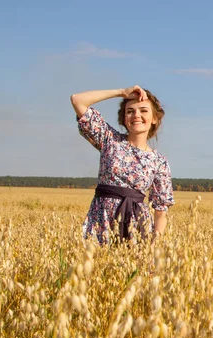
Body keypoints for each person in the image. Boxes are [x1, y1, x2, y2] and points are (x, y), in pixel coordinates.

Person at [70, 85, 175, 245]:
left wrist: (154, 245)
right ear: (124, 118)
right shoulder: (109, 140)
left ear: (155, 118)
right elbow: (77, 100)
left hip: (137, 229)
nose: (136, 115)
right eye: (130, 111)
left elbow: (161, 211)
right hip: (101, 222)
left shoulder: (159, 161)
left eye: (144, 110)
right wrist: (120, 93)